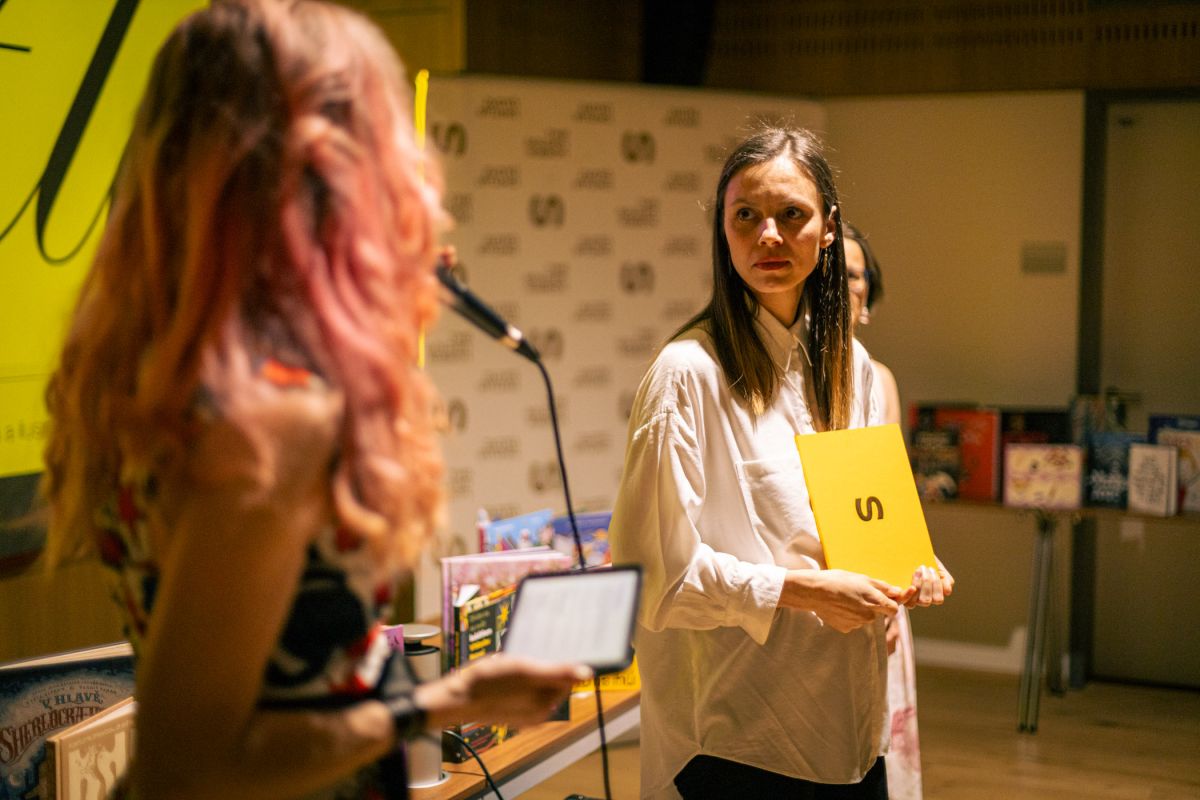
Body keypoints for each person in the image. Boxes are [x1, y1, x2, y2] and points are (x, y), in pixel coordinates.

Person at [41, 2, 587, 798]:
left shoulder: (159, 374)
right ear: (329, 171)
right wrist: (445, 701)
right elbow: (186, 764)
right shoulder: (272, 422)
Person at [609, 126, 954, 799]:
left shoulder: (854, 367)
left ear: (828, 230)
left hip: (853, 724)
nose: (768, 235)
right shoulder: (687, 374)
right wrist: (801, 590)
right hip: (739, 736)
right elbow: (652, 577)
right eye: (746, 216)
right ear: (724, 232)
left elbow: (866, 525)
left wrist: (910, 566)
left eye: (791, 214)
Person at [845, 223, 922, 800]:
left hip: (876, 585)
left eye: (854, 275)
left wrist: (893, 596)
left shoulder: (878, 379)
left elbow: (884, 495)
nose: (842, 286)